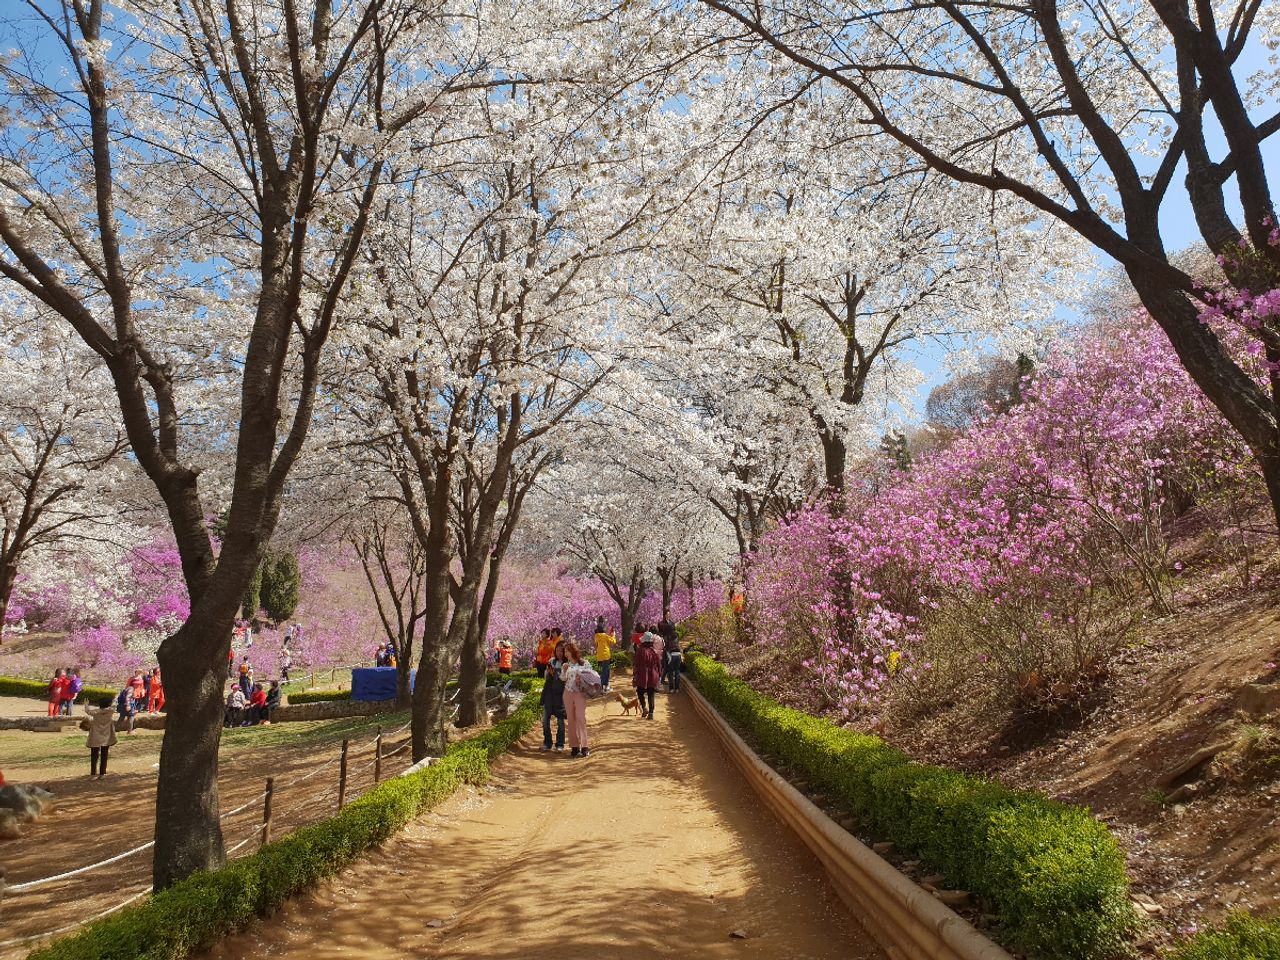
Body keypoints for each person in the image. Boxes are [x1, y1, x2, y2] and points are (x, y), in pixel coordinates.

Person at [560, 642, 592, 758]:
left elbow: (591, 675)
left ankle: (584, 746)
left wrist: (581, 676)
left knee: (580, 718)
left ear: (573, 651)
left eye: (567, 651)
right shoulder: (566, 665)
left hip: (580, 693)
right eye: (565, 651)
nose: (565, 653)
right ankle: (574, 746)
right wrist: (564, 670)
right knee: (571, 719)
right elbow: (563, 678)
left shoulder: (584, 663)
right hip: (568, 693)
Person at [540, 638, 567, 752]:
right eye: (557, 651)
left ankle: (560, 744)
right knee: (545, 720)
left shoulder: (566, 664)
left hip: (560, 696)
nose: (559, 653)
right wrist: (549, 673)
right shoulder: (552, 661)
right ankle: (547, 743)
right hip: (549, 694)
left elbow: (565, 680)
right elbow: (546, 677)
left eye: (562, 651)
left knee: (560, 721)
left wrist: (555, 673)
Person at [84, 696, 118, 779]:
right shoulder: (111, 711)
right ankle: (102, 773)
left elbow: (88, 711)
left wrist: (86, 705)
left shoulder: (96, 712)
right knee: (104, 754)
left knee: (94, 755)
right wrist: (115, 699)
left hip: (95, 734)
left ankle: (93, 774)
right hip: (107, 734)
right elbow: (115, 705)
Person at [633, 634, 662, 720]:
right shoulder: (654, 651)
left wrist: (634, 675)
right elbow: (659, 665)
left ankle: (644, 707)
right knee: (651, 694)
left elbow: (636, 664)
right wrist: (659, 674)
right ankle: (651, 713)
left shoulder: (640, 651)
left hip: (642, 675)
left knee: (640, 691)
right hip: (653, 675)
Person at [593, 617, 617, 692]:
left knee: (606, 670)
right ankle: (602, 687)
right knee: (605, 671)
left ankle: (606, 685)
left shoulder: (596, 636)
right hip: (606, 655)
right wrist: (613, 635)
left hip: (600, 656)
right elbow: (613, 641)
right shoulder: (604, 636)